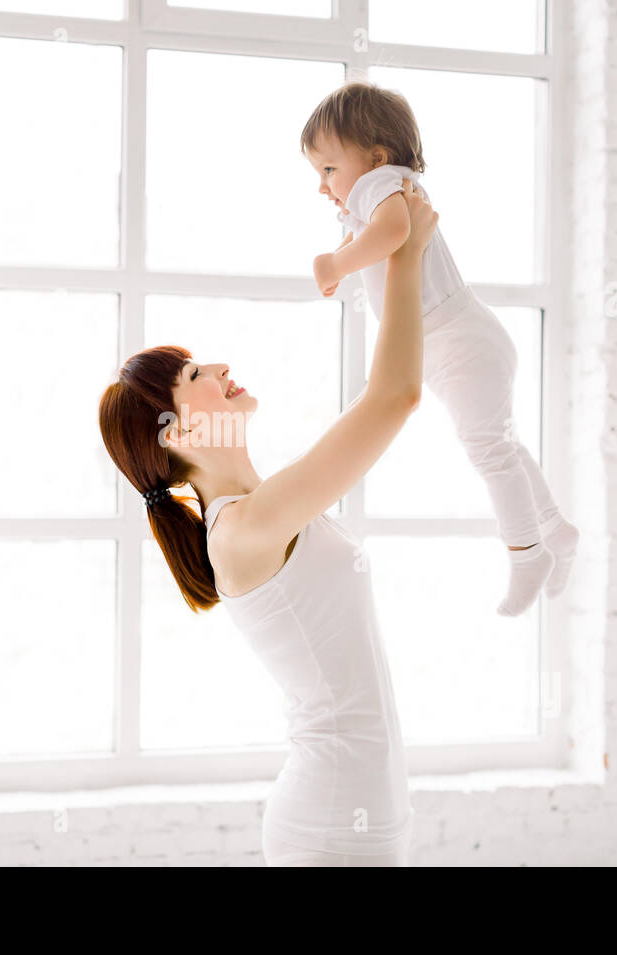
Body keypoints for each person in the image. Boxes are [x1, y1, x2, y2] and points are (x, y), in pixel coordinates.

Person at [98, 180, 435, 866]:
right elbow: (396, 397)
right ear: (175, 432)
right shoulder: (246, 528)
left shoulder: (264, 511)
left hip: (365, 807)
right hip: (335, 817)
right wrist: (404, 254)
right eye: (195, 372)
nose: (220, 366)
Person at [302, 80, 579, 615]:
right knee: (503, 446)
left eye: (329, 169)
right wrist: (340, 255)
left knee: (491, 451)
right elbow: (376, 235)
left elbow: (392, 232)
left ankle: (527, 554)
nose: (323, 185)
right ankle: (555, 531)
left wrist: (336, 264)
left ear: (376, 158)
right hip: (463, 339)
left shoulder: (382, 185)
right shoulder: (376, 192)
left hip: (459, 340)